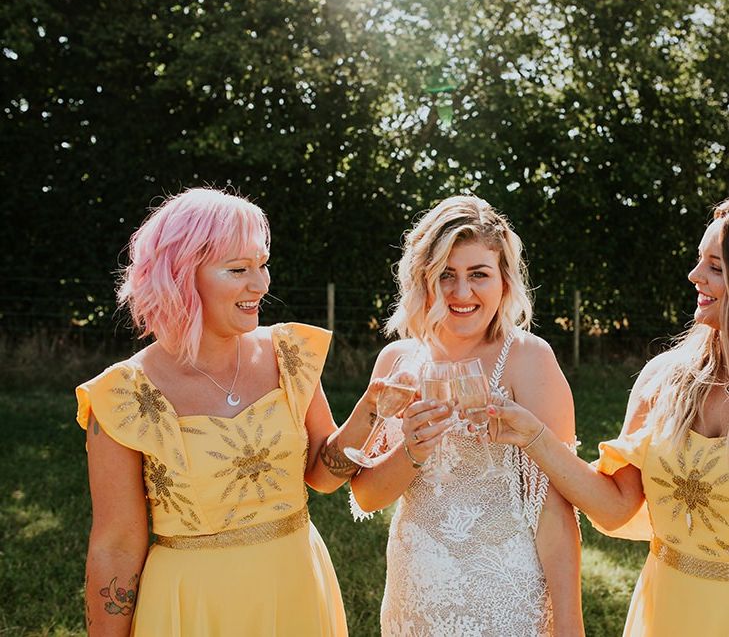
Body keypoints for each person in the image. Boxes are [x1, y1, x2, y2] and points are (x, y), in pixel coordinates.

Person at [77, 188, 375, 636]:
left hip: (296, 588)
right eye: (238, 269)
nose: (261, 284)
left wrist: (372, 411)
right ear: (179, 276)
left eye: (262, 264)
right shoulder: (122, 394)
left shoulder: (289, 354)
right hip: (191, 608)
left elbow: (322, 475)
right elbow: (115, 545)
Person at [487, 199, 729, 636]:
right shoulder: (665, 380)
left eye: (715, 266)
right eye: (699, 260)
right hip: (666, 609)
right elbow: (615, 508)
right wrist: (533, 436)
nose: (695, 276)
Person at [349, 195, 584, 636]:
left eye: (479, 274)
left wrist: (569, 623)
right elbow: (366, 497)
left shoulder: (529, 359)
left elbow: (554, 507)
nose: (461, 293)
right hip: (413, 595)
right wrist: (411, 452)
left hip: (504, 601)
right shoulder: (396, 362)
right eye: (446, 275)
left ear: (504, 280)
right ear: (424, 279)